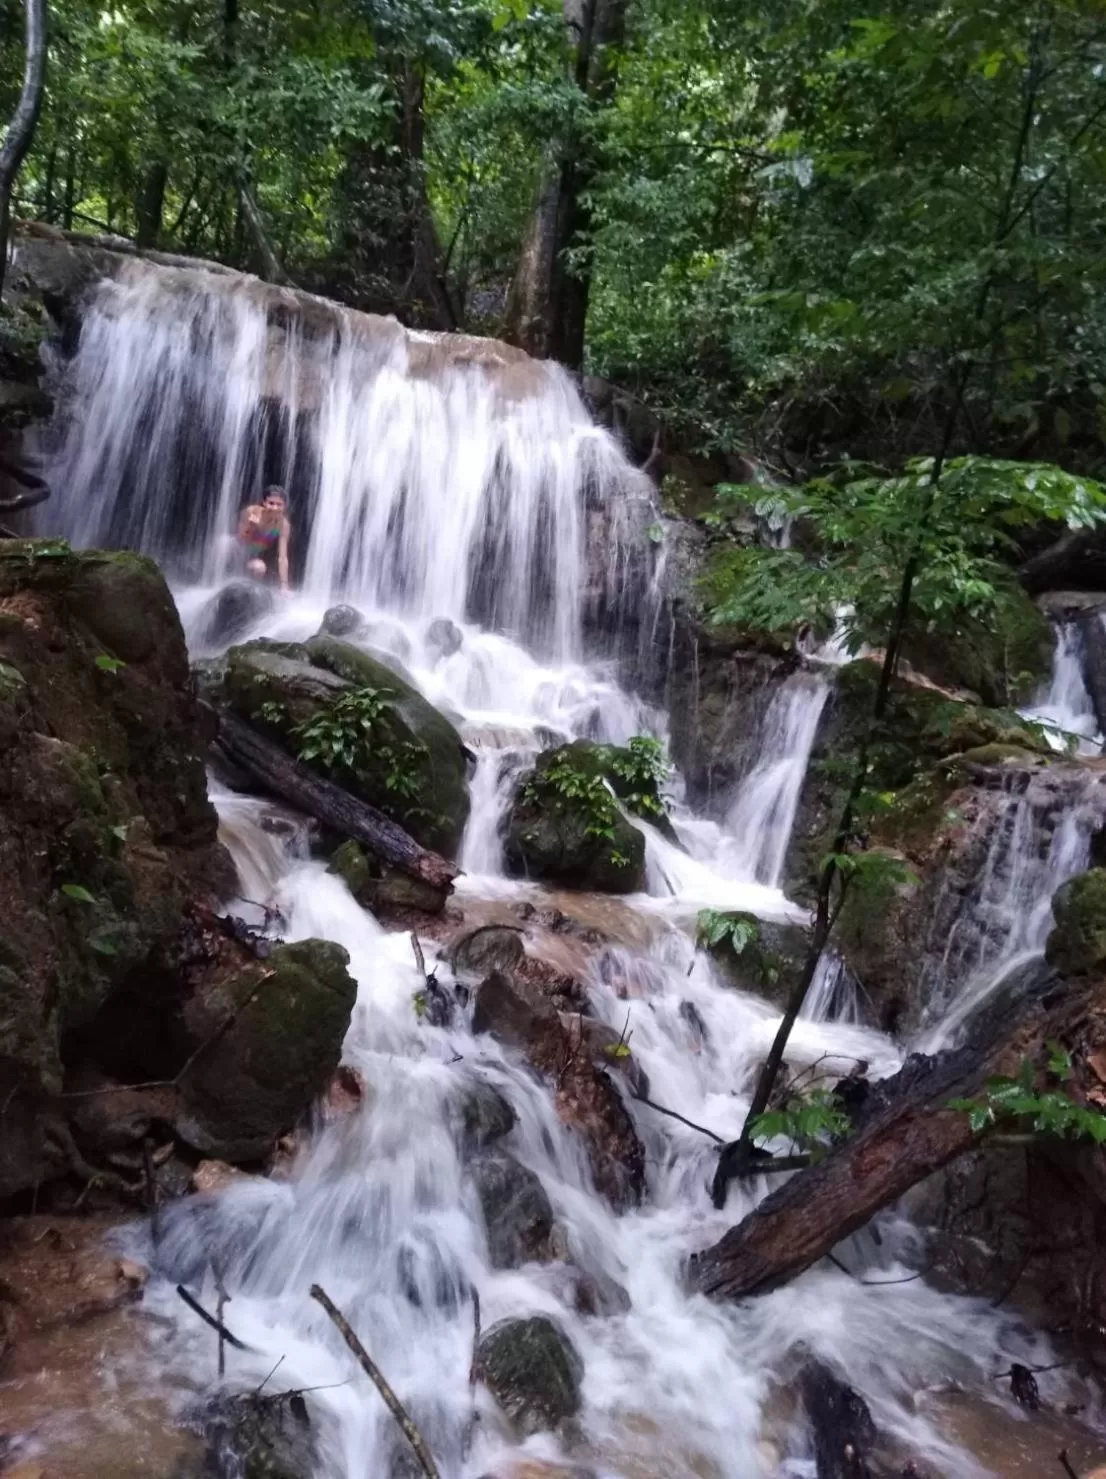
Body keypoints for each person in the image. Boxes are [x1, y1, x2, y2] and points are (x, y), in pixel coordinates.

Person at [238, 486, 291, 592]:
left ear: (284, 506)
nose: (275, 508)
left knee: (260, 567)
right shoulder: (251, 512)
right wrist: (251, 527)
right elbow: (240, 540)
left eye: (279, 504)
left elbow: (282, 557)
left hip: (257, 555)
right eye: (271, 503)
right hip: (239, 552)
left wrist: (284, 585)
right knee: (223, 543)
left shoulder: (283, 525)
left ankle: (250, 590)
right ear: (264, 503)